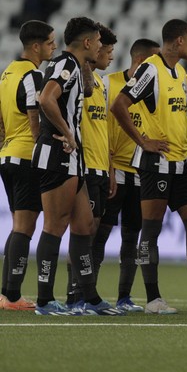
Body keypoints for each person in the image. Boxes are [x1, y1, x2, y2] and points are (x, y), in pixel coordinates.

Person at [109, 19, 187, 314]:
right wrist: (143, 141)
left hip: (182, 163)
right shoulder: (150, 69)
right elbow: (119, 105)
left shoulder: (179, 72)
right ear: (178, 41)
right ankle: (153, 299)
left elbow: (175, 116)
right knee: (151, 229)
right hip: (156, 164)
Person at [31, 17, 121, 315]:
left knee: (83, 226)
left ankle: (90, 298)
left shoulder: (75, 66)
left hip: (72, 158)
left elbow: (81, 92)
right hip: (57, 153)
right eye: (98, 42)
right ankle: (44, 300)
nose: (100, 47)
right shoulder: (65, 63)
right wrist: (68, 133)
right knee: (54, 227)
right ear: (87, 42)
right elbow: (46, 98)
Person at [94, 38, 160, 312]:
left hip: (142, 173)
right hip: (114, 171)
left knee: (132, 237)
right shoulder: (109, 84)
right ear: (142, 61)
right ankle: (87, 293)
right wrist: (108, 167)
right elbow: (99, 129)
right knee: (100, 233)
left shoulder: (155, 89)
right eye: (155, 60)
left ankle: (124, 298)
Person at [0, 20, 56, 310]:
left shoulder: (7, 72)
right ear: (36, 46)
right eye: (50, 42)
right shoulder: (33, 75)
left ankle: (6, 293)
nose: (54, 47)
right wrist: (40, 148)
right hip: (26, 156)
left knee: (17, 226)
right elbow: (35, 115)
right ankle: (12, 297)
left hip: (8, 154)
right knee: (25, 227)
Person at [65, 24, 116, 310]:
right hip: (84, 165)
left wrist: (110, 168)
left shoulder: (100, 83)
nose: (108, 54)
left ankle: (84, 293)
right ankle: (75, 293)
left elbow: (102, 128)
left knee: (92, 230)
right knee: (83, 230)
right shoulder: (80, 79)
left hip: (100, 166)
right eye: (105, 49)